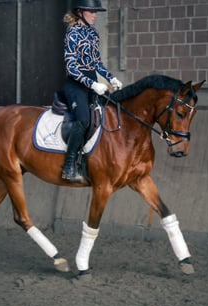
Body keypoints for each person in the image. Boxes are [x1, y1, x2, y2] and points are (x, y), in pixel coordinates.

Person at [61, 0, 123, 183]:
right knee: (83, 120)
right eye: (92, 12)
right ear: (80, 12)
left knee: (102, 118)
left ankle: (91, 161)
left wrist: (111, 78)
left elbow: (96, 63)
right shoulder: (72, 34)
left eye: (96, 12)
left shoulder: (93, 33)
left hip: (92, 84)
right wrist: (92, 84)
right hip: (75, 86)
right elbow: (71, 67)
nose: (95, 15)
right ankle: (69, 165)